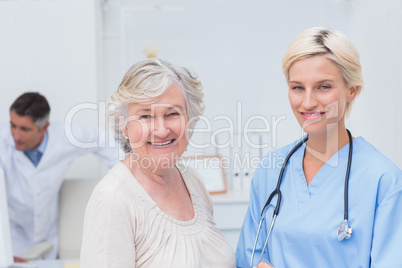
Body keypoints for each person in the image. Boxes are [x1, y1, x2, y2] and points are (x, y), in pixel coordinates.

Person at [236, 27, 402, 268]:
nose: (308, 102)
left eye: (323, 87)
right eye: (297, 87)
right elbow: (249, 257)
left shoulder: (383, 180)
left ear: (351, 90)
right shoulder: (272, 170)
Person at [80, 58, 235, 267]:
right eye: (145, 116)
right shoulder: (113, 199)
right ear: (124, 126)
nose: (161, 130)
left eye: (172, 114)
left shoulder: (193, 181)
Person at [0, 92, 120, 260]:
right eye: (13, 125)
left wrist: (126, 179)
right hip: (14, 237)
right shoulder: (3, 139)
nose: (16, 135)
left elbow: (103, 141)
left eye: (25, 129)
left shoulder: (65, 136)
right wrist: (4, 252)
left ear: (45, 127)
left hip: (50, 236)